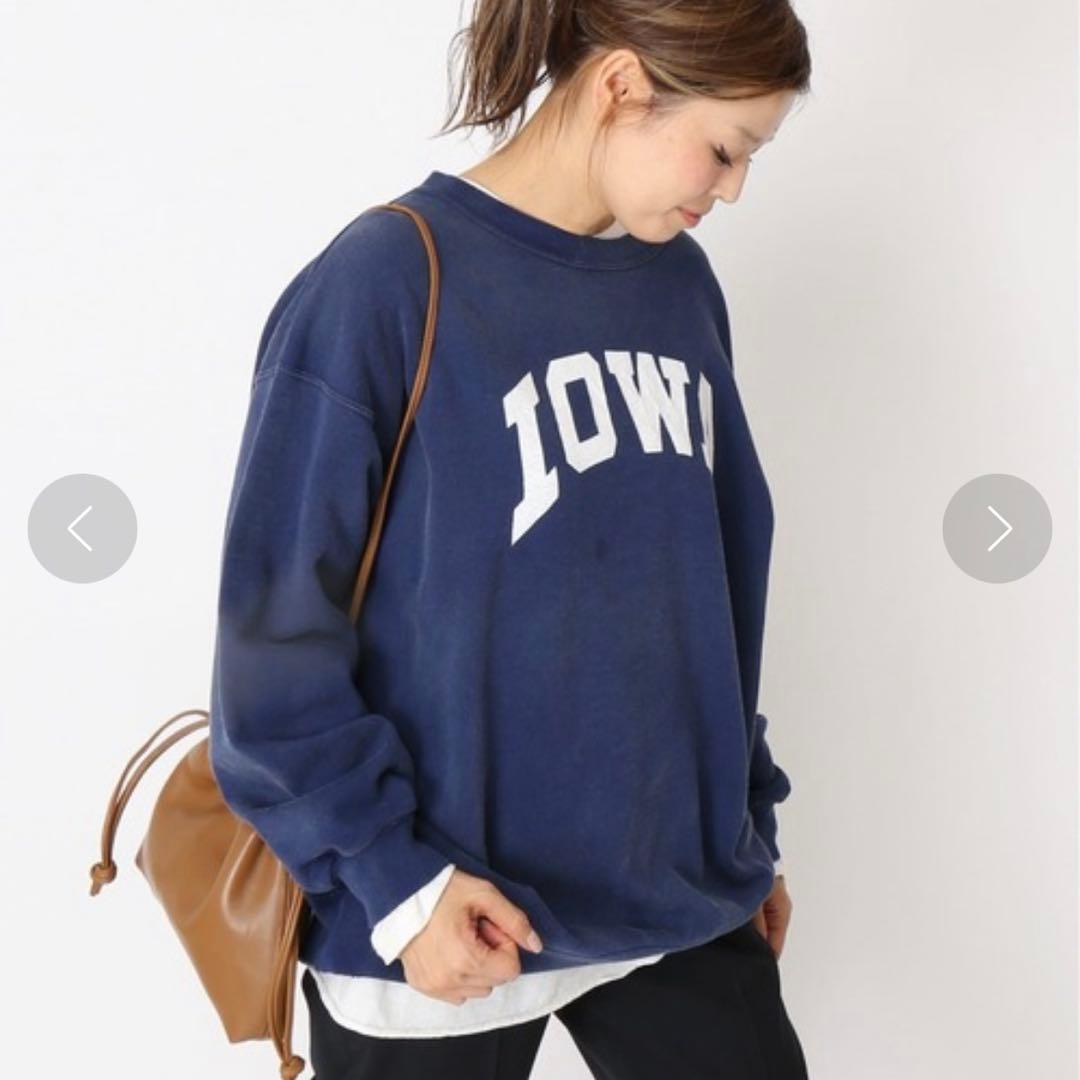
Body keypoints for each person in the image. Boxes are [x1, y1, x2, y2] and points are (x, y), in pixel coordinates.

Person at [208, 0, 813, 1075]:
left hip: (674, 894)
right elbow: (274, 634)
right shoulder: (385, 280)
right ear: (621, 84)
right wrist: (395, 882)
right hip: (448, 915)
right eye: (725, 149)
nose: (732, 189)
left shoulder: (679, 287)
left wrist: (742, 826)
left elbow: (713, 584)